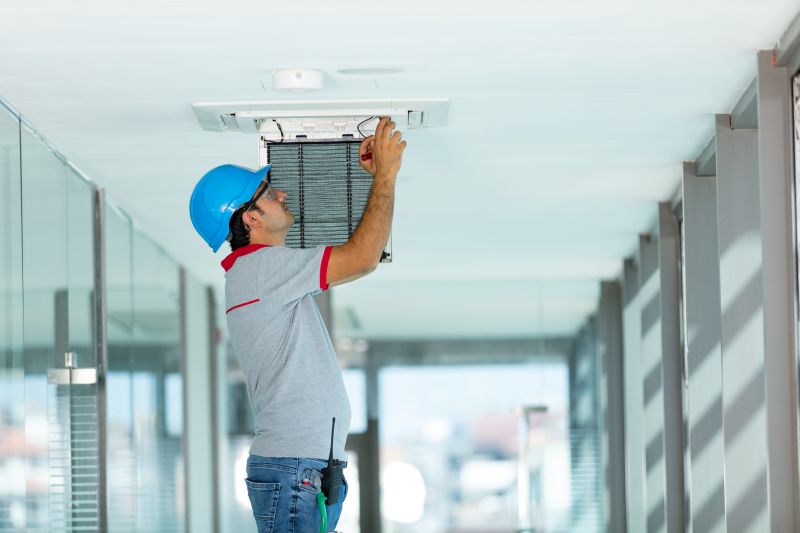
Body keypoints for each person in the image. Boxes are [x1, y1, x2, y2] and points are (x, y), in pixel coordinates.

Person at [188, 117, 406, 533]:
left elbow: (359, 254)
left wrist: (377, 178)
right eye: (268, 194)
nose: (282, 194)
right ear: (249, 218)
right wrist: (386, 175)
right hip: (296, 470)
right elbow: (362, 257)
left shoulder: (259, 273)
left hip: (304, 469)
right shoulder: (260, 269)